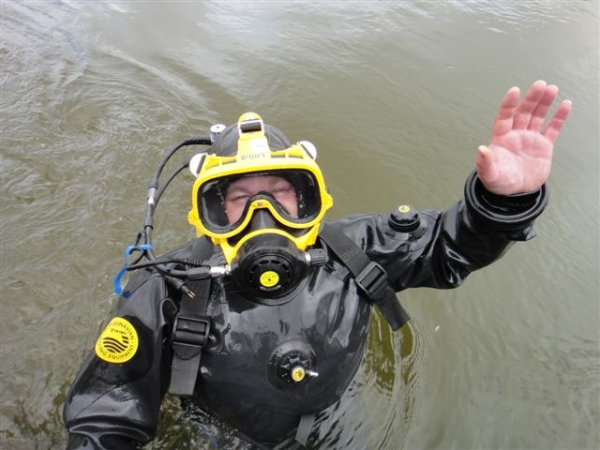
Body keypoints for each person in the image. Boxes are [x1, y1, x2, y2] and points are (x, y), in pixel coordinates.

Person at [62, 80, 572, 449]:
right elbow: (106, 418)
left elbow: (449, 248)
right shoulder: (171, 288)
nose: (264, 214)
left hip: (341, 429)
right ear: (209, 211)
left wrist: (501, 201)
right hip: (220, 438)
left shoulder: (356, 251)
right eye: (239, 198)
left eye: (280, 192)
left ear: (309, 196)